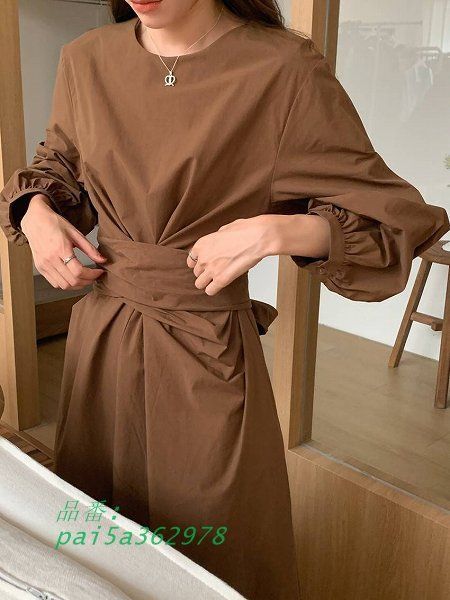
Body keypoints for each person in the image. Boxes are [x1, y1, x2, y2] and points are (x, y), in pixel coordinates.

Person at [0, 1, 448, 598]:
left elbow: (398, 220)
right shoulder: (86, 59)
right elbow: (59, 167)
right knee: (100, 547)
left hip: (205, 350)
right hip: (102, 342)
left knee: (212, 551)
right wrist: (35, 213)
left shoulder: (282, 68)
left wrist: (277, 230)